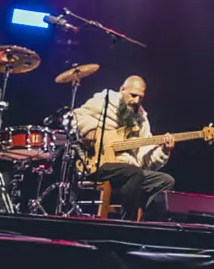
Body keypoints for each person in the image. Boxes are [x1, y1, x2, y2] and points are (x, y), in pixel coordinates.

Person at [73, 74, 174, 220]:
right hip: (99, 164)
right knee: (134, 173)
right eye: (133, 95)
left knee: (166, 181)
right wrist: (90, 131)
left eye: (141, 97)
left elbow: (144, 160)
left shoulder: (141, 119)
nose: (136, 101)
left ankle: (147, 225)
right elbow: (75, 118)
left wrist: (164, 150)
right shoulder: (103, 101)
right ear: (122, 89)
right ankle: (127, 222)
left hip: (128, 169)